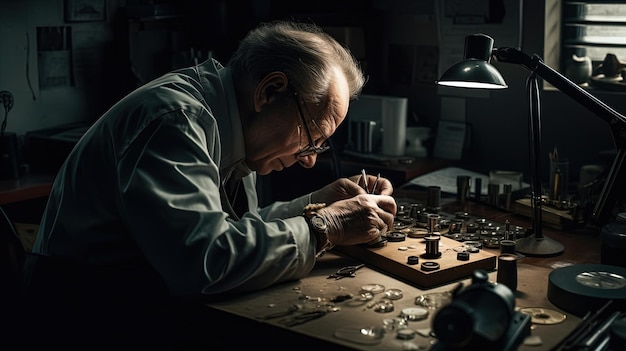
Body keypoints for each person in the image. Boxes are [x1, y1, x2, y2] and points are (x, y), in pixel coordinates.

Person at [20, 20, 397, 349]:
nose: (311, 158)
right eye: (312, 135)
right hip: (83, 321)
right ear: (269, 91)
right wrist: (327, 225)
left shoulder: (228, 123)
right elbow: (206, 262)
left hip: (130, 305)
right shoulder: (175, 121)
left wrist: (316, 204)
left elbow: (231, 233)